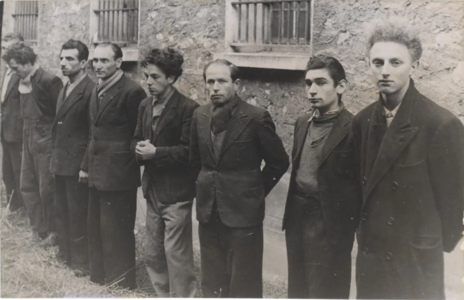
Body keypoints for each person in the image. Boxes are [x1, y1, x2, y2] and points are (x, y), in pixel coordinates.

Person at [353, 19, 464, 299]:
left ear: (414, 66)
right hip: (372, 256)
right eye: (377, 63)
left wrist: (429, 243)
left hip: (414, 259)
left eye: (395, 62)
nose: (385, 71)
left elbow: (453, 201)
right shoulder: (362, 121)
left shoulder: (440, 124)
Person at [190, 59, 289, 298]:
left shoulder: (255, 117)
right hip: (208, 212)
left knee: (243, 283)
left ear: (236, 84)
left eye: (222, 81)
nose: (215, 87)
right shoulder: (199, 116)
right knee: (212, 280)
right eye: (210, 81)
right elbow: (195, 161)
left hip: (243, 214)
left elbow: (279, 162)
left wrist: (253, 193)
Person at [282, 55, 361, 299]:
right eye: (308, 83)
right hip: (297, 214)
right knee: (298, 287)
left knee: (326, 289)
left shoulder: (355, 128)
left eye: (321, 82)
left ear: (341, 87)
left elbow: (359, 183)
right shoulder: (302, 122)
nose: (313, 90)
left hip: (330, 221)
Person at [132, 48, 199, 297]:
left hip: (177, 193)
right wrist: (138, 149)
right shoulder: (144, 105)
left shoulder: (188, 108)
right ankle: (161, 294)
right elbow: (137, 138)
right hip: (153, 190)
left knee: (176, 253)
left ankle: (183, 296)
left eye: (155, 77)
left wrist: (156, 153)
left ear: (171, 78)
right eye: (146, 76)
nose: (148, 82)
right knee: (153, 251)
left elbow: (189, 152)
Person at [80, 42, 146, 289]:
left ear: (119, 62)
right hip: (98, 172)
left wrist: (121, 166)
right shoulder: (98, 89)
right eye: (95, 61)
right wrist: (86, 165)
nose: (98, 65)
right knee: (96, 226)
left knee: (117, 230)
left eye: (104, 61)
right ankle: (99, 277)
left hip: (119, 175)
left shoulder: (132, 91)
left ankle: (121, 283)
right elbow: (93, 132)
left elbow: (136, 135)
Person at [2, 44, 63, 244]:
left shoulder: (49, 81)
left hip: (45, 140)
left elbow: (60, 115)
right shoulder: (21, 80)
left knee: (47, 189)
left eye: (15, 67)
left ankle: (54, 233)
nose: (13, 71)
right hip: (27, 137)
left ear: (28, 63)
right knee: (27, 185)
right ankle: (40, 231)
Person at [50, 39, 95, 277]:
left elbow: (92, 133)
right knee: (62, 210)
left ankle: (80, 263)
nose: (63, 63)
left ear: (84, 63)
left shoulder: (90, 90)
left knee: (78, 213)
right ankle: (65, 256)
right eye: (61, 58)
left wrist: (85, 166)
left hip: (77, 164)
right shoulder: (64, 88)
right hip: (61, 161)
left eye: (70, 59)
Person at [1, 33, 24, 212]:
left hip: (18, 132)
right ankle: (12, 205)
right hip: (5, 130)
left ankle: (24, 208)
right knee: (7, 171)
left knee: (19, 172)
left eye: (9, 49)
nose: (4, 54)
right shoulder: (5, 71)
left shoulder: (22, 74)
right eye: (2, 48)